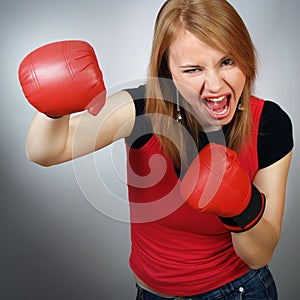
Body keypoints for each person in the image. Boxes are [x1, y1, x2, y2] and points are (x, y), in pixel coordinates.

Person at [19, 0, 293, 299]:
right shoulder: (142, 110)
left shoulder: (268, 125)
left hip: (238, 291)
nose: (215, 84)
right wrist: (52, 108)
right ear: (168, 71)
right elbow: (46, 151)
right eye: (193, 69)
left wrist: (243, 207)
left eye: (227, 62)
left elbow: (259, 256)